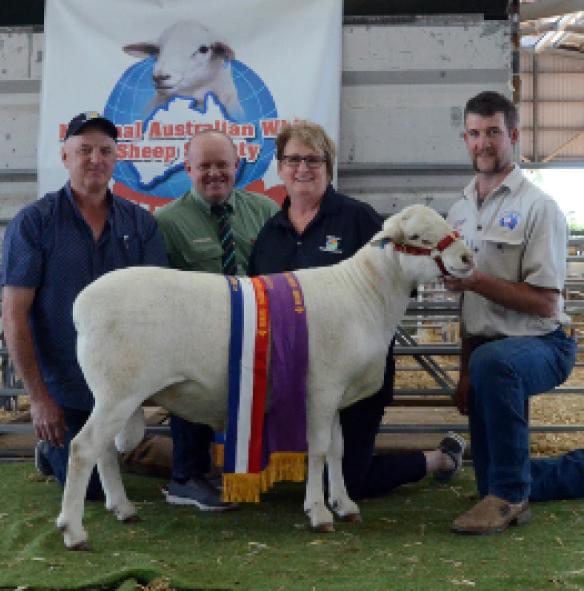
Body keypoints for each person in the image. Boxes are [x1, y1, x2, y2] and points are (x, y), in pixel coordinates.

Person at [248, 119, 465, 502]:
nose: (303, 169)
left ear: (328, 167)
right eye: (294, 159)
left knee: (351, 482)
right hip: (291, 378)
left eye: (313, 159)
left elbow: (401, 286)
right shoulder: (269, 235)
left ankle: (439, 459)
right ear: (280, 168)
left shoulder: (361, 220)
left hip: (356, 377)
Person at [1, 111, 168, 500]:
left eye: (105, 151)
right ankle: (50, 449)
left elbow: (158, 302)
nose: (95, 159)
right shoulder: (33, 223)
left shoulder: (141, 225)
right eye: (84, 150)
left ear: (116, 159)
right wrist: (40, 400)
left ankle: (124, 445)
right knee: (90, 488)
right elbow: (14, 315)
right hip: (67, 385)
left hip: (123, 380)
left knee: (136, 449)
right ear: (65, 157)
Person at [445, 90, 580, 535]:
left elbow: (547, 302)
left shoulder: (539, 208)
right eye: (475, 133)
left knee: (495, 362)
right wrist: (465, 370)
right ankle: (520, 483)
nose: (484, 142)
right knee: (493, 475)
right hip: (487, 355)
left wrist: (477, 280)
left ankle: (509, 501)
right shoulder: (459, 211)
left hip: (545, 343)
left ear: (514, 136)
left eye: (493, 133)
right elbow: (471, 306)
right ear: (465, 138)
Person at [151, 129, 280, 510]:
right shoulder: (167, 223)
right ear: (187, 168)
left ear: (237, 166)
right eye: (204, 165)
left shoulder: (266, 212)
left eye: (222, 164)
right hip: (195, 342)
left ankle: (252, 470)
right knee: (189, 399)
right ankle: (186, 477)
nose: (214, 173)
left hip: (258, 337)